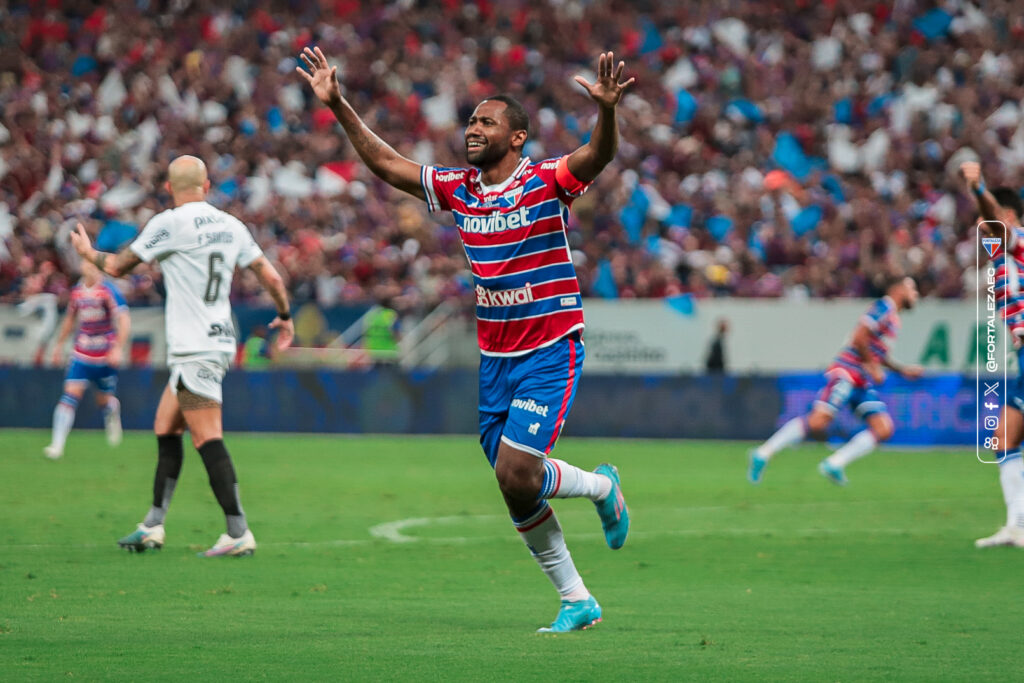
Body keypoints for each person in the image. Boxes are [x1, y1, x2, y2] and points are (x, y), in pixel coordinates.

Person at [298, 46, 631, 632]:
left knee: (516, 471)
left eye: (486, 121)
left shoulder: (545, 180)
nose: (473, 129)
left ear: (518, 137)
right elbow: (388, 164)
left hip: (550, 348)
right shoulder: (460, 189)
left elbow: (597, 156)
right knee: (515, 488)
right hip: (495, 360)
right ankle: (578, 597)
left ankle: (604, 490)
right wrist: (339, 103)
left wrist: (606, 113)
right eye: (472, 120)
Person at [70, 155, 294, 557]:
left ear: (170, 188)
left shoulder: (169, 223)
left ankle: (238, 531)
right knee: (166, 427)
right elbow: (272, 277)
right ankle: (153, 525)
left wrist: (88, 254)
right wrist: (284, 316)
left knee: (206, 436)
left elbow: (119, 266)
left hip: (196, 351)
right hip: (215, 342)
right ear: (207, 186)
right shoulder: (231, 225)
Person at [748, 275, 923, 485]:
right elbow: (859, 337)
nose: (916, 295)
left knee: (883, 428)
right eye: (912, 289)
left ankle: (835, 463)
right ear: (898, 289)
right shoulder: (883, 307)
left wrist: (901, 370)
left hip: (861, 379)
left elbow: (876, 352)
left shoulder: (893, 318)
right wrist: (873, 366)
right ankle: (763, 452)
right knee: (820, 420)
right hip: (847, 372)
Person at [960, 161, 1024, 548]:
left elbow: (994, 223)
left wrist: (978, 188)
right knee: (1003, 435)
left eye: (989, 217)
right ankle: (1016, 524)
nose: (981, 226)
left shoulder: (1016, 239)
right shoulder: (1003, 257)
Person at [44, 260, 130, 459]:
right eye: (84, 263)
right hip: (81, 353)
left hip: (104, 356)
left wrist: (117, 348)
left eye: (91, 264)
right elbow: (69, 319)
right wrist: (58, 345)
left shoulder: (109, 291)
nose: (87, 267)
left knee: (103, 400)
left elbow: (124, 319)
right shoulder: (77, 292)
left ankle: (111, 409)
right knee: (69, 396)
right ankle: (57, 445)